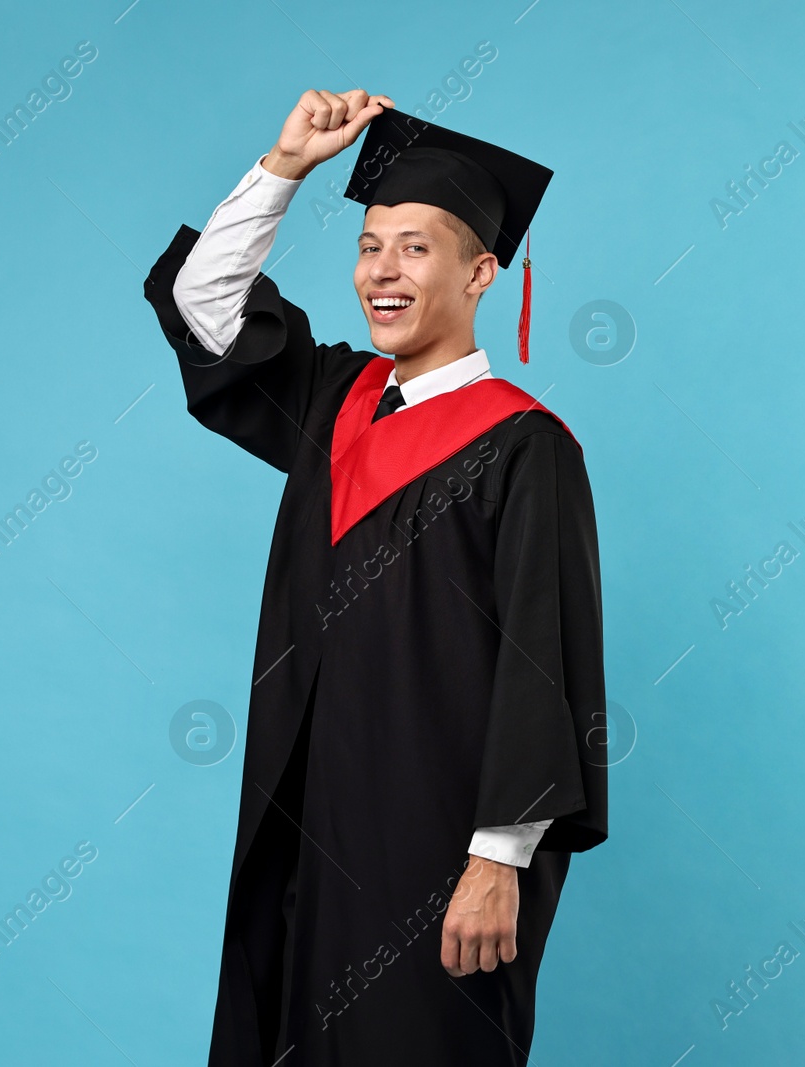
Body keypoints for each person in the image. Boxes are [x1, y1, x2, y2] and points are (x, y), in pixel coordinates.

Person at [142, 88, 607, 1067]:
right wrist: (282, 167)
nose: (380, 272)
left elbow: (544, 659)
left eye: (415, 247)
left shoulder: (525, 446)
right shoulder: (333, 397)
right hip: (307, 831)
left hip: (435, 851)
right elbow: (205, 306)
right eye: (367, 245)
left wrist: (496, 861)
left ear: (482, 272)